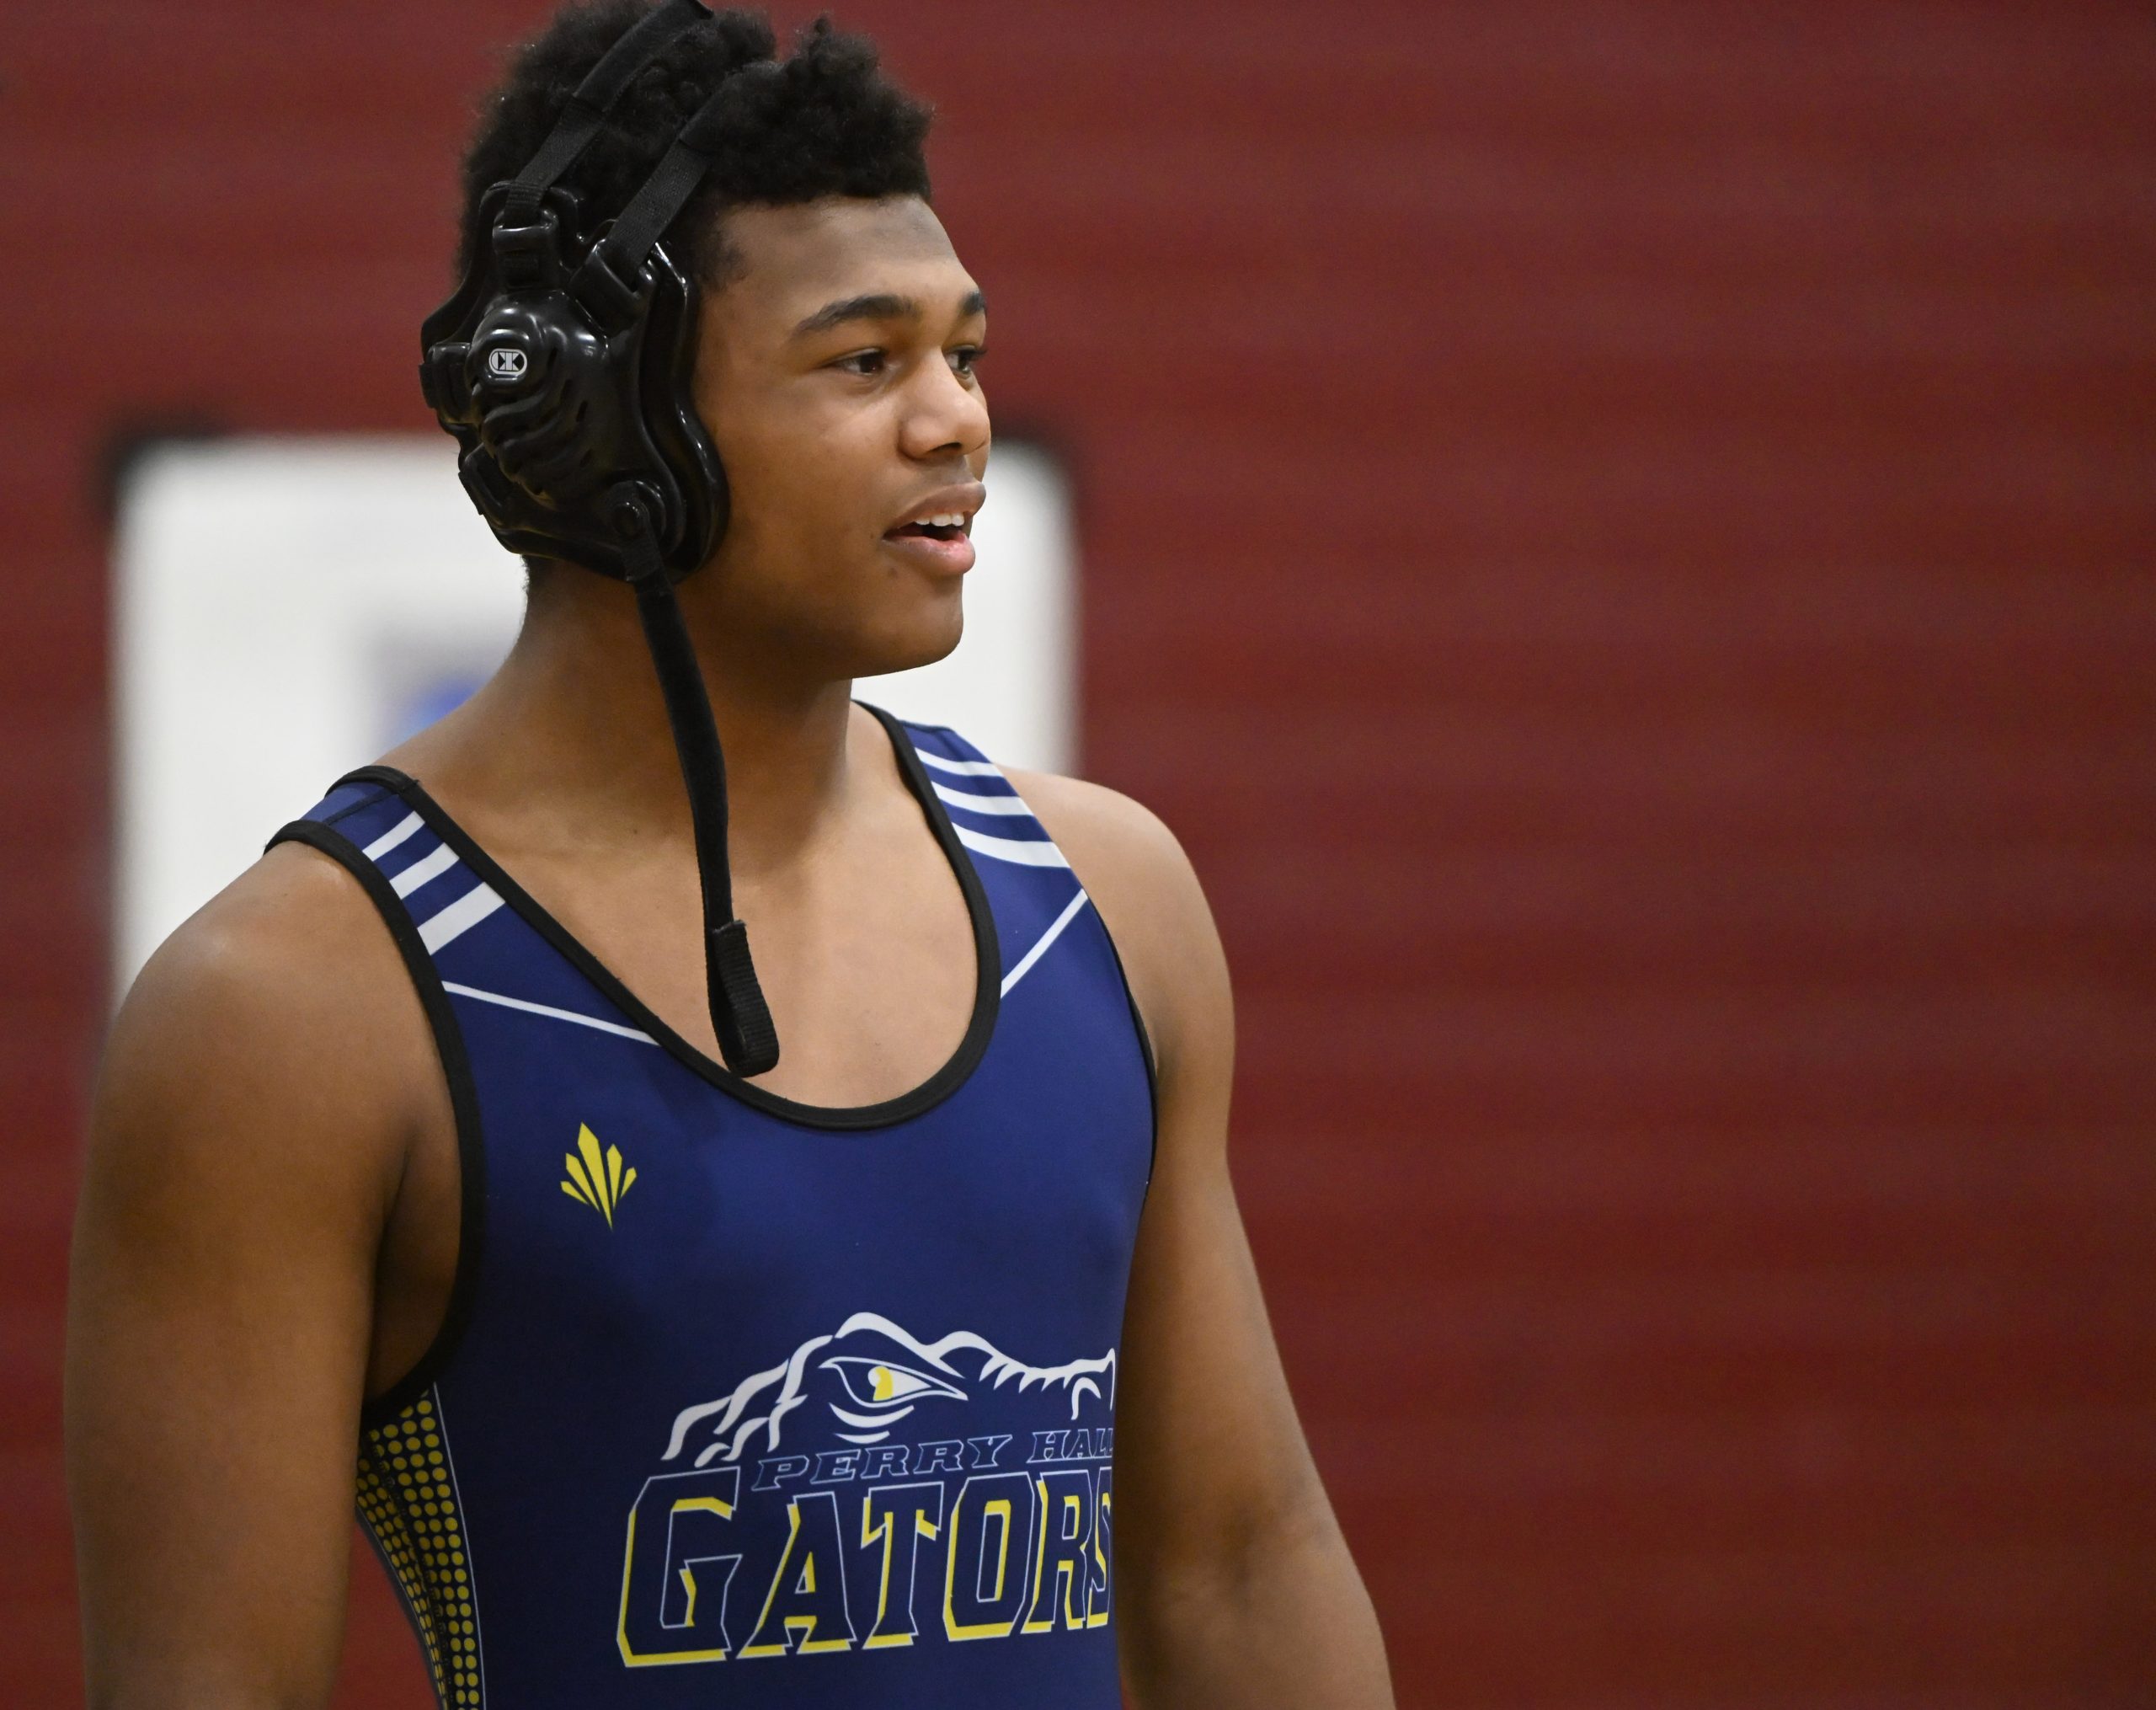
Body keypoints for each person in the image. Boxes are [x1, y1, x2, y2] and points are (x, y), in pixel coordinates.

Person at [67, 4, 1393, 1705]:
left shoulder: (1104, 906)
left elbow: (1236, 1558)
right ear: (604, 425)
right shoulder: (297, 1008)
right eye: (863, 361)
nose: (954, 425)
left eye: (963, 353)